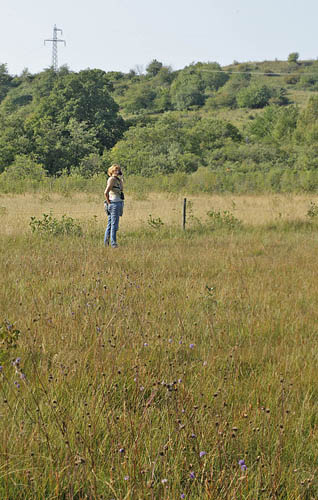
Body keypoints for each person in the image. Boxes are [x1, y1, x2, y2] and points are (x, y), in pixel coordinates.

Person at [104, 164, 124, 248]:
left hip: (118, 202)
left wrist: (122, 179)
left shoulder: (118, 180)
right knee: (114, 225)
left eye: (118, 170)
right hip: (114, 203)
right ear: (111, 171)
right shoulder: (111, 179)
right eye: (115, 170)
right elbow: (106, 192)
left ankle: (107, 243)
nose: (117, 171)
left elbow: (122, 189)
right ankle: (113, 244)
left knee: (110, 224)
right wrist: (109, 203)